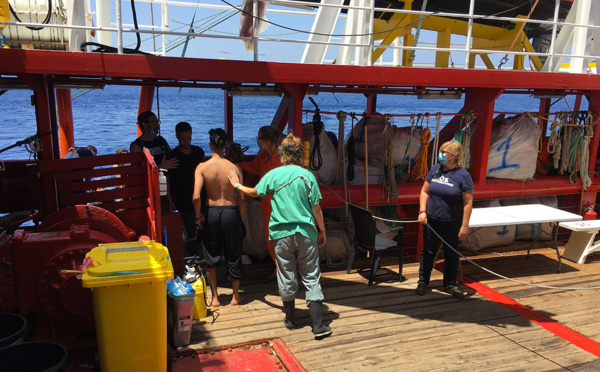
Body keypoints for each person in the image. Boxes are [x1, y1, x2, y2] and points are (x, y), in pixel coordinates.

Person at [228, 133, 332, 339]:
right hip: (305, 233)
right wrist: (322, 231)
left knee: (286, 275)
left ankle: (290, 320)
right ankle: (319, 326)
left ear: (283, 154)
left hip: (280, 235)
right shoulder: (307, 176)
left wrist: (236, 184)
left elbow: (252, 192)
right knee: (311, 276)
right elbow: (317, 209)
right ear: (300, 155)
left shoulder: (274, 175)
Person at [193, 128, 245, 307]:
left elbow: (196, 197)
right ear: (225, 146)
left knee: (210, 255)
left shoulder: (202, 167)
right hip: (231, 212)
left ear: (210, 145)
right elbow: (242, 199)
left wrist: (198, 216)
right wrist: (242, 221)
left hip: (211, 212)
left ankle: (215, 298)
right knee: (234, 253)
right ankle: (235, 297)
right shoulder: (234, 168)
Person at [416, 140, 474, 299]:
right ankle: (423, 282)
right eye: (440, 151)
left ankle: (450, 285)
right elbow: (424, 191)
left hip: (452, 222)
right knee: (428, 251)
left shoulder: (463, 176)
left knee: (451, 254)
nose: (440, 154)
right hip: (432, 220)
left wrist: (464, 226)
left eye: (443, 152)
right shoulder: (435, 169)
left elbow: (468, 203)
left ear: (453, 156)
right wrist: (422, 211)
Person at [240, 126, 282, 281]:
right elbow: (252, 167)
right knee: (271, 240)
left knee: (285, 240)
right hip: (267, 207)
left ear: (264, 141)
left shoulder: (282, 158)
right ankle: (279, 268)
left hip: (282, 207)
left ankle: (288, 271)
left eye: (258, 138)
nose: (257, 141)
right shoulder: (263, 157)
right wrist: (239, 163)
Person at [166, 122, 206, 257]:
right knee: (190, 234)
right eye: (183, 138)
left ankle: (206, 257)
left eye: (189, 138)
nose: (186, 142)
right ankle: (194, 258)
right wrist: (169, 199)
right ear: (177, 137)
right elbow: (167, 179)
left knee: (206, 229)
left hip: (201, 196)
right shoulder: (172, 156)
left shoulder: (198, 152)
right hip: (183, 200)